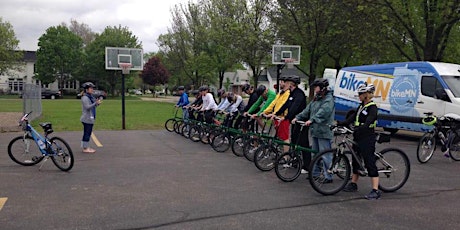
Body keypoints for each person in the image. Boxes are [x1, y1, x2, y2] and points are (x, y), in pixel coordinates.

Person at [337, 83, 381, 200]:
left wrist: (361, 127)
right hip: (358, 135)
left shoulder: (372, 107)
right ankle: (353, 183)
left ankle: (375, 190)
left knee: (369, 161)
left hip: (367, 136)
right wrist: (341, 123)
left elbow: (369, 121)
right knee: (356, 160)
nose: (359, 96)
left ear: (366, 95)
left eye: (360, 94)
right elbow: (352, 118)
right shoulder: (361, 106)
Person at [292, 78, 334, 177]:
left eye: (316, 87)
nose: (315, 89)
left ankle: (328, 176)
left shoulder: (328, 99)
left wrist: (312, 119)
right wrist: (297, 117)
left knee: (325, 154)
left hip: (324, 131)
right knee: (315, 154)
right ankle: (315, 174)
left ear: (322, 88)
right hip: (315, 130)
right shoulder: (316, 98)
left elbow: (324, 111)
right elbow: (307, 109)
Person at [276, 75, 308, 173]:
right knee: (294, 140)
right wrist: (276, 113)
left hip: (302, 122)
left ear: (291, 83)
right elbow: (286, 105)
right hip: (294, 121)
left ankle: (307, 166)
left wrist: (286, 117)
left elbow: (295, 107)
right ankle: (295, 161)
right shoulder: (291, 93)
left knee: (303, 143)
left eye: (287, 82)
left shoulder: (299, 94)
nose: (285, 83)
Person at [261, 76, 291, 150]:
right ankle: (279, 153)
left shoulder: (288, 93)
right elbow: (273, 103)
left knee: (285, 138)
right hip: (277, 117)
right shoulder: (280, 93)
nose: (279, 84)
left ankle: (286, 157)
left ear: (285, 83)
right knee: (279, 136)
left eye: (281, 82)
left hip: (282, 117)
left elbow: (282, 105)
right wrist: (265, 112)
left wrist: (274, 114)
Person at [80, 82, 102, 153]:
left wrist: (97, 103)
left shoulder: (90, 97)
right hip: (87, 118)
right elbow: (87, 107)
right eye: (91, 88)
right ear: (86, 89)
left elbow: (92, 105)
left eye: (92, 88)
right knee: (87, 133)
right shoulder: (85, 98)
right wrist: (95, 103)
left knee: (87, 133)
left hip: (90, 117)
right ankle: (85, 148)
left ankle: (85, 146)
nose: (92, 89)